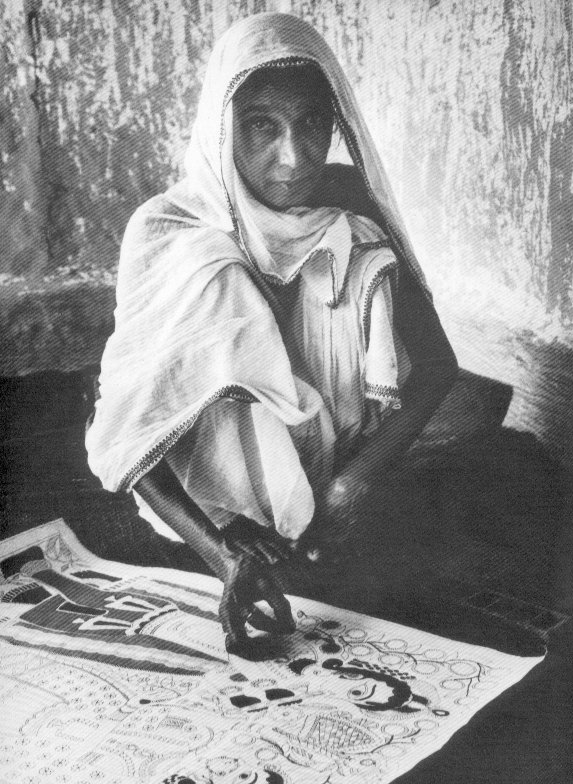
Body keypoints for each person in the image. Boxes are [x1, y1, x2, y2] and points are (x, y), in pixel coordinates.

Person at [86, 13, 458, 659]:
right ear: (221, 126)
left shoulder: (348, 210)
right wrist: (220, 553)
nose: (294, 157)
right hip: (210, 514)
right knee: (214, 268)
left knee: (356, 246)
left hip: (330, 496)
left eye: (312, 123)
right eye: (262, 125)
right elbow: (128, 435)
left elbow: (439, 366)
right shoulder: (167, 230)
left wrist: (353, 484)